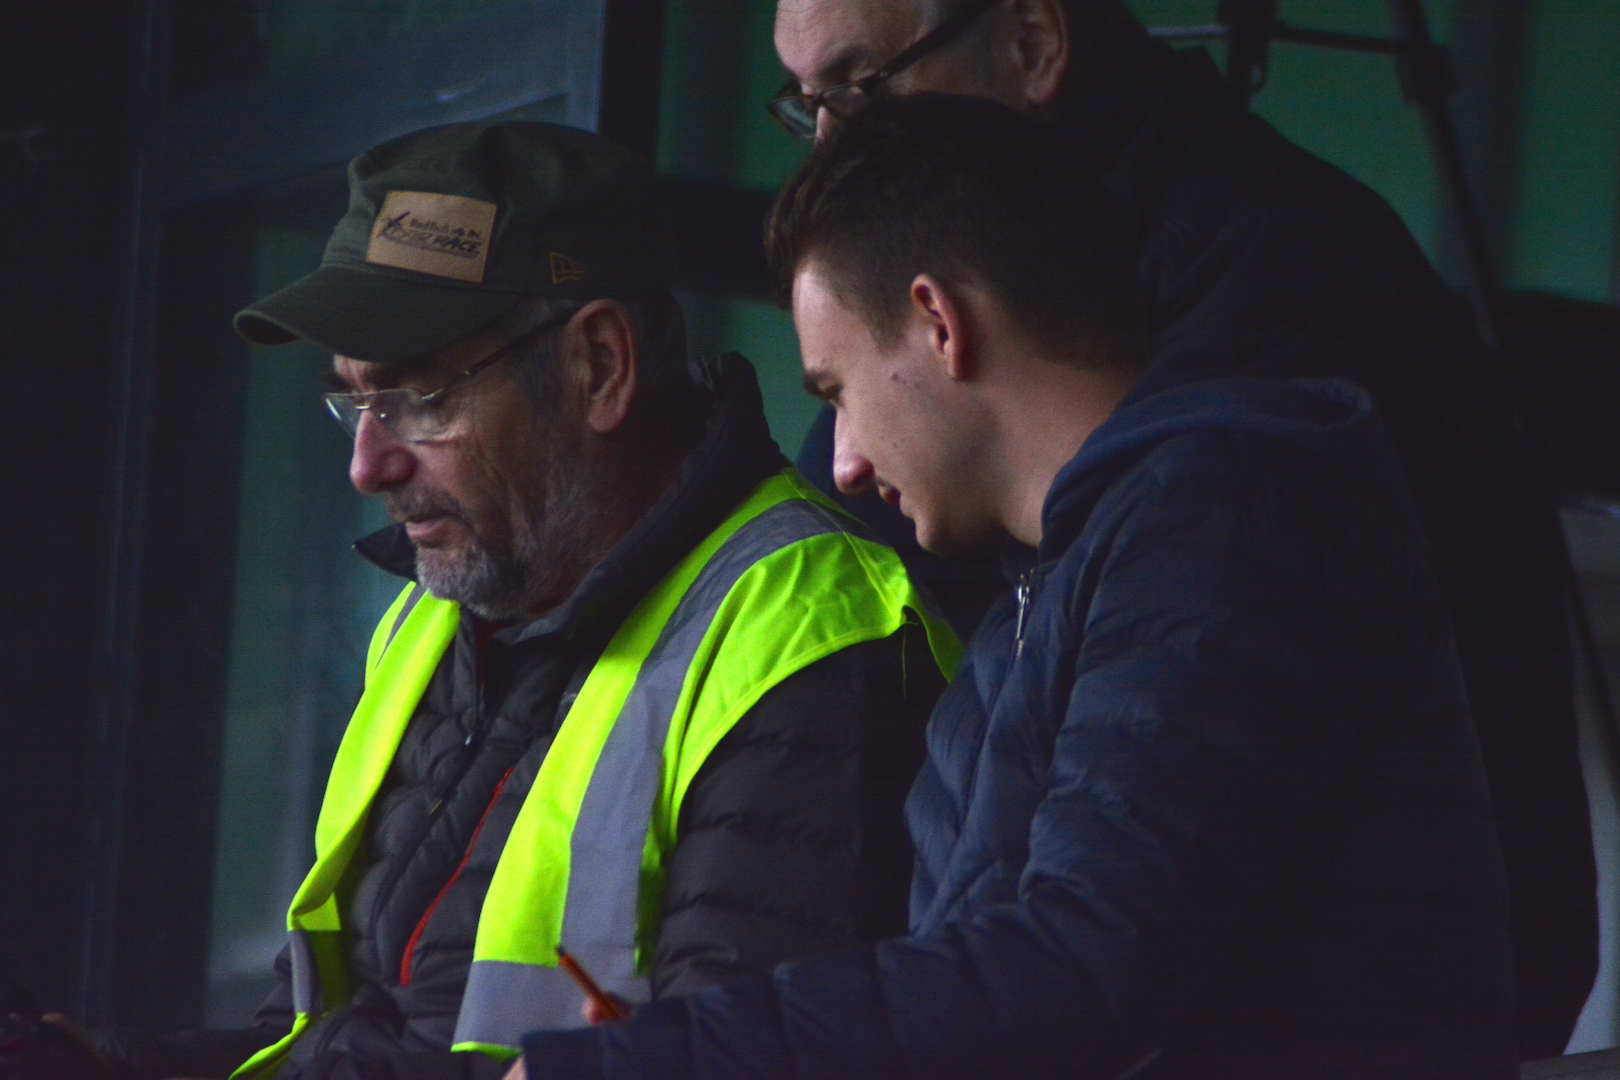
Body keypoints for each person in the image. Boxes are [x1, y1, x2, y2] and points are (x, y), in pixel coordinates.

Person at [518, 91, 1516, 1080]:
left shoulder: (1232, 517)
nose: (844, 463)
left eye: (837, 391)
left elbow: (1081, 972)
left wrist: (654, 1060)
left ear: (938, 322)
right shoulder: (1041, 596)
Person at [771, 0, 1594, 1058]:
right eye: (807, 106)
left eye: (860, 89)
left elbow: (1081, 961)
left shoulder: (1263, 343)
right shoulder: (1019, 408)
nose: (828, 147)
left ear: (1032, 43)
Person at [68, 120, 956, 1080]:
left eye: (418, 397)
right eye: (353, 402)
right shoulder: (435, 622)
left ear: (599, 365)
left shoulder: (812, 636)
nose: (368, 465)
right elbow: (329, 1038)